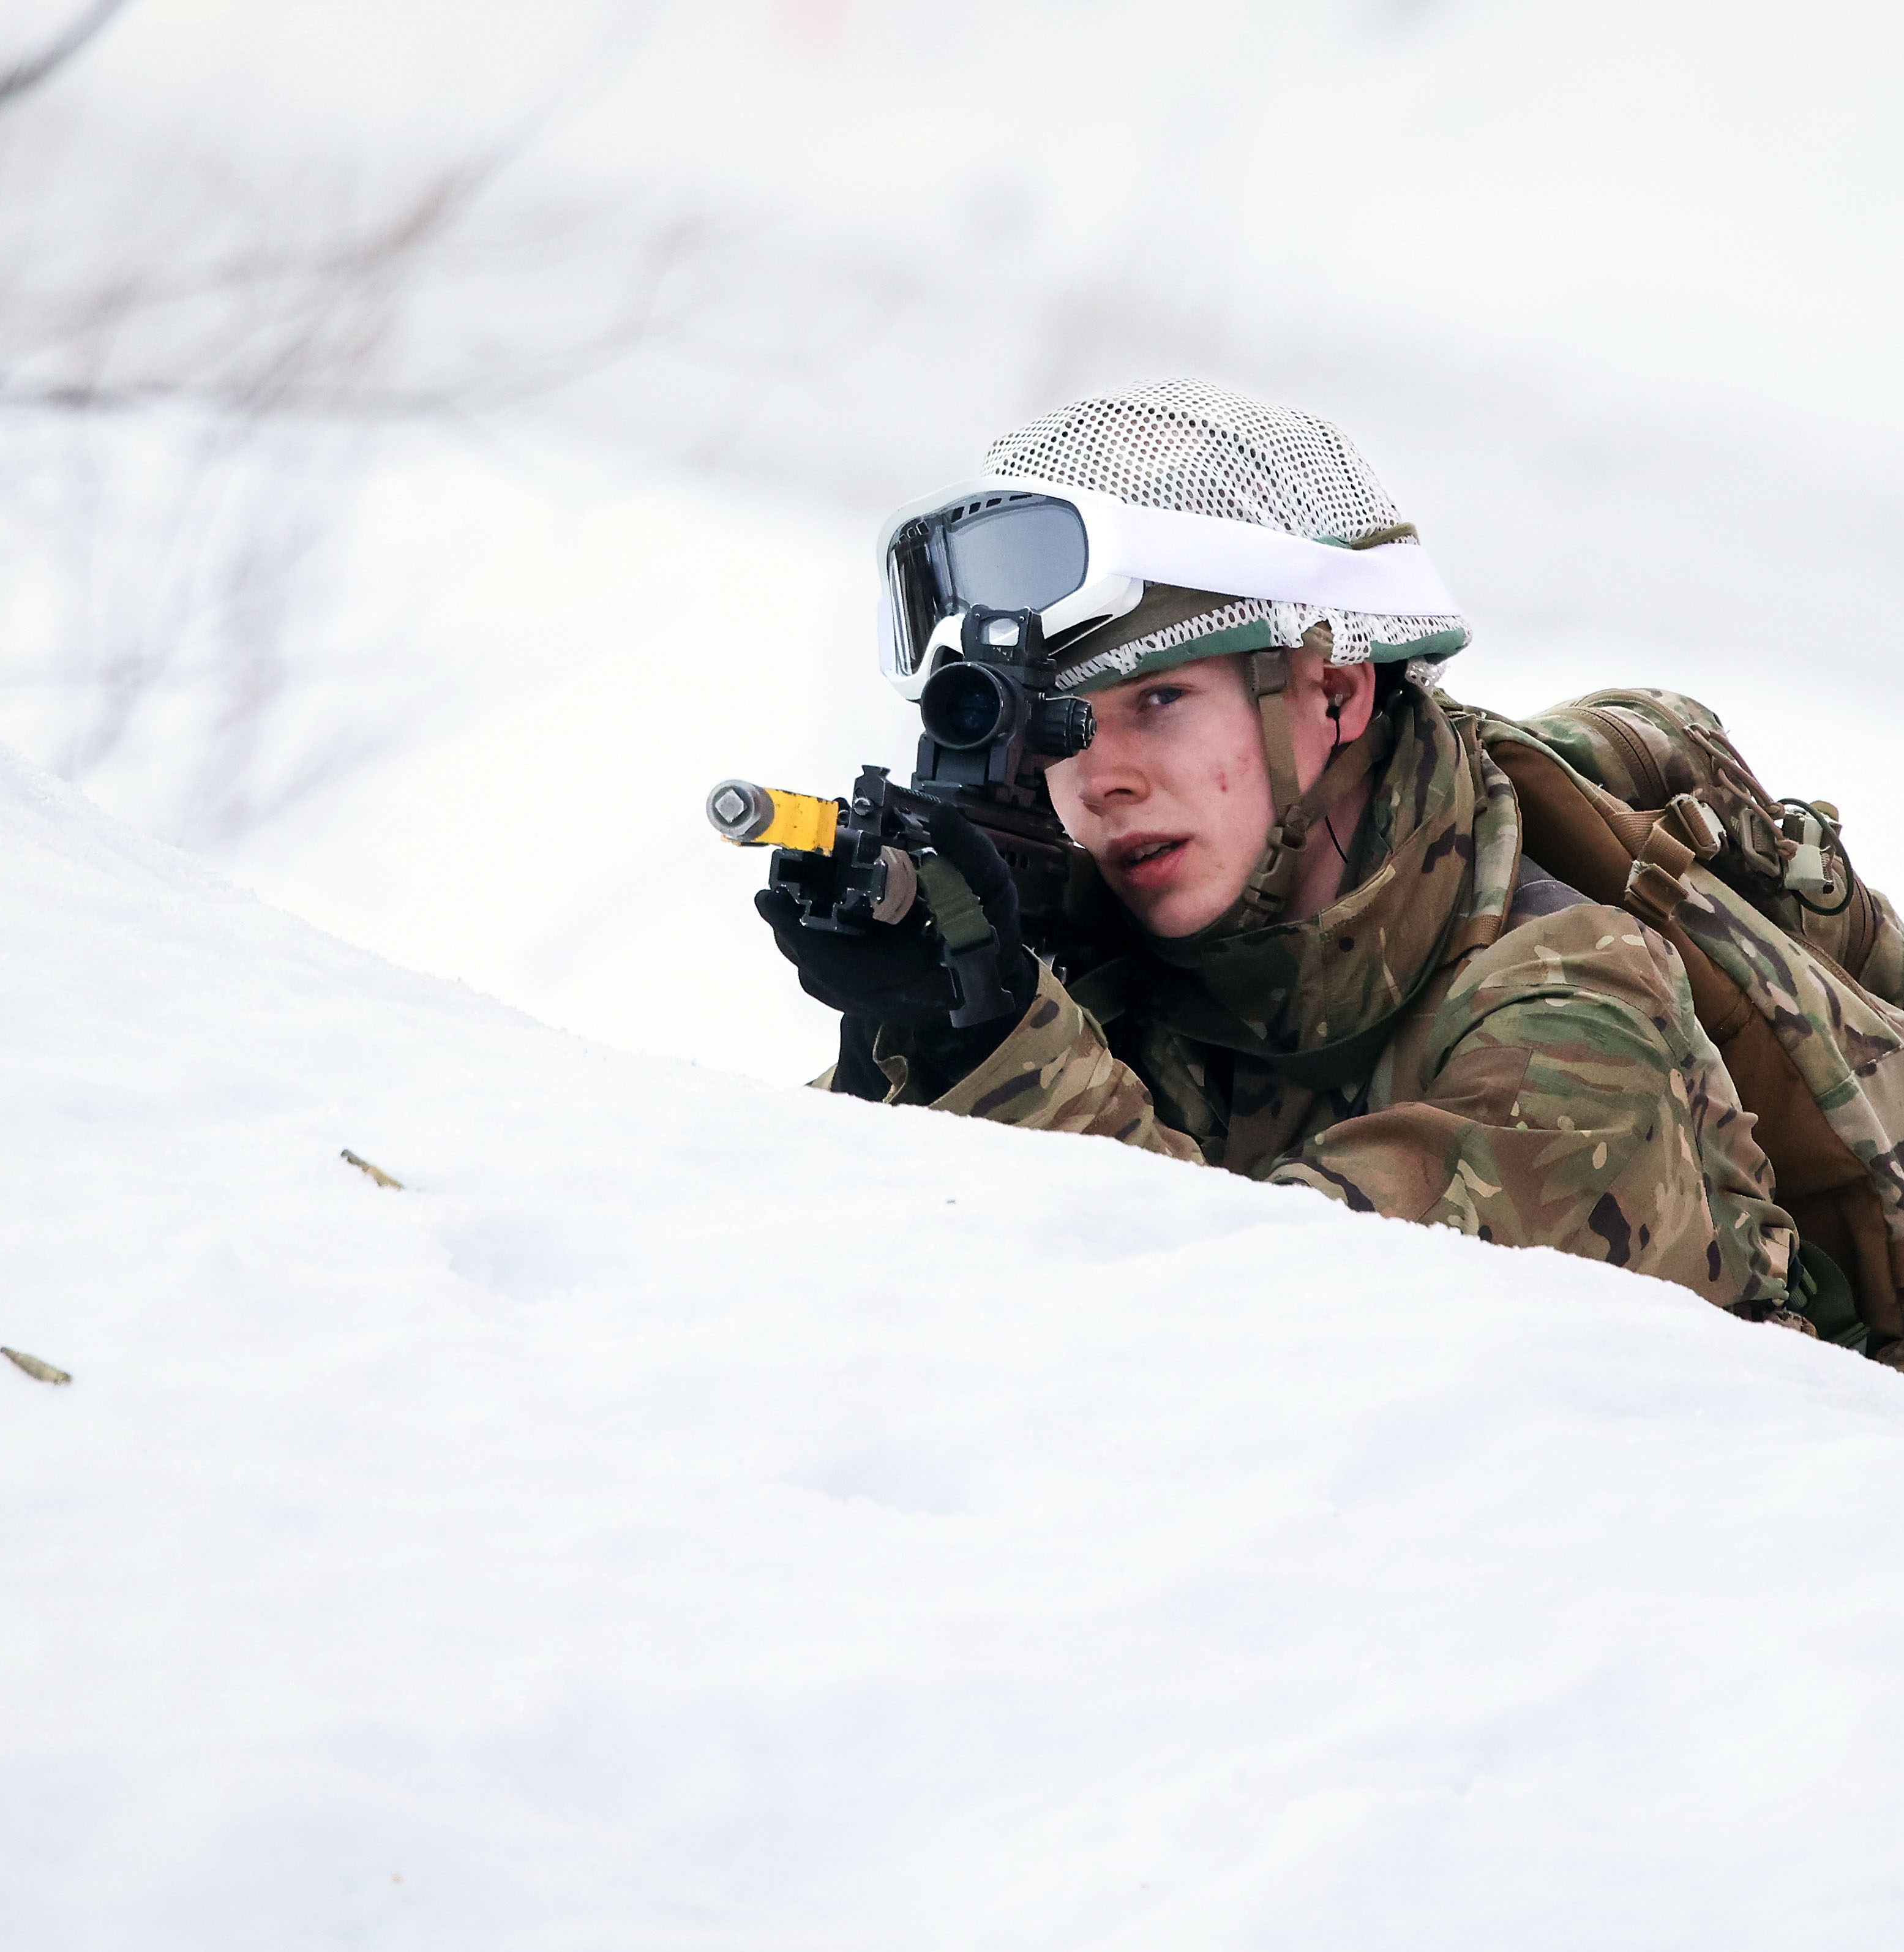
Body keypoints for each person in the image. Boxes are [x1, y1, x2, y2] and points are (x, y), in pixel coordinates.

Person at [760, 377, 1803, 1321]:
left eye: (1159, 699)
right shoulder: (1127, 959)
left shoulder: (1574, 1008)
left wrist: (998, 1051)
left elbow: (1274, 1345)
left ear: (1336, 690)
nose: (1099, 775)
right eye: (1060, 727)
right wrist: (900, 1048)